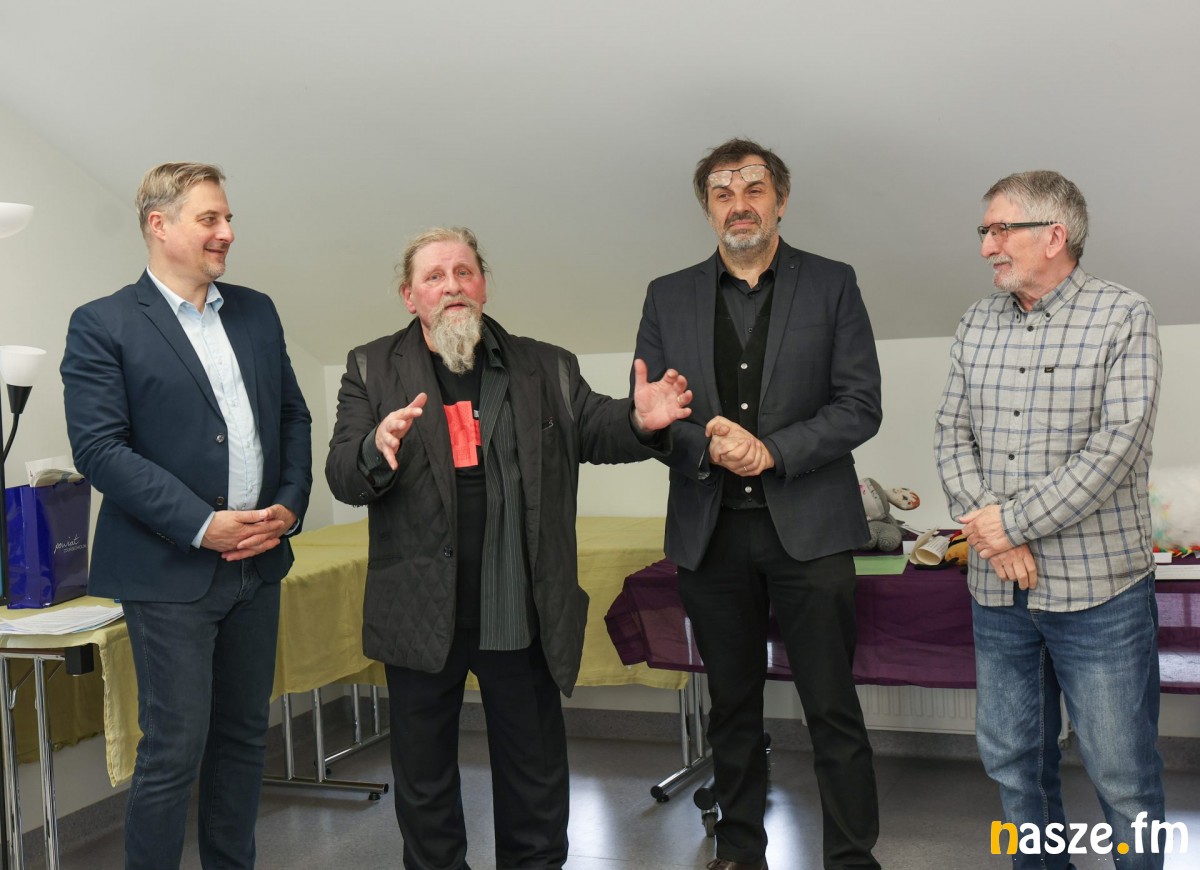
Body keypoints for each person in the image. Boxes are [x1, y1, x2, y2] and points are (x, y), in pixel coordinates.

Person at [325, 226, 692, 870]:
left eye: (464, 272)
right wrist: (374, 447)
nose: (452, 287)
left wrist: (639, 420)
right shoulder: (370, 367)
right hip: (419, 608)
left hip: (518, 605)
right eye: (435, 277)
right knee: (424, 777)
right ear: (410, 296)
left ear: (484, 286)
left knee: (534, 772)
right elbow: (341, 474)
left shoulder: (545, 365)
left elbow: (597, 428)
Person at [633, 138, 883, 870]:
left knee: (832, 706)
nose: (738, 204)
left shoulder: (833, 283)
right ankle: (739, 851)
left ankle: (851, 858)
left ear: (780, 200)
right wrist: (707, 447)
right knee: (732, 706)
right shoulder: (667, 295)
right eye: (722, 193)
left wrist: (771, 451)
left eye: (753, 190)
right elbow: (652, 414)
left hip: (812, 532)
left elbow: (860, 405)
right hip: (709, 536)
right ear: (706, 208)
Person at [61, 163, 313, 870]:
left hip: (258, 562)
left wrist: (289, 506)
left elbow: (292, 417)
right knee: (174, 749)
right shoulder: (103, 324)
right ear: (159, 224)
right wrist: (203, 524)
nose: (227, 232)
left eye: (228, 218)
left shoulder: (257, 311)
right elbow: (100, 450)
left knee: (243, 739)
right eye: (210, 219)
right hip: (168, 570)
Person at [935, 170, 1166, 869]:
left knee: (1124, 778)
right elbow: (951, 436)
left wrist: (1011, 526)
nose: (987, 247)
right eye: (985, 231)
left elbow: (1117, 449)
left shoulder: (1123, 315)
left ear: (1054, 235)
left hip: (1100, 595)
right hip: (997, 593)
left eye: (1000, 230)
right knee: (1014, 767)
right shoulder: (976, 322)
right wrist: (994, 537)